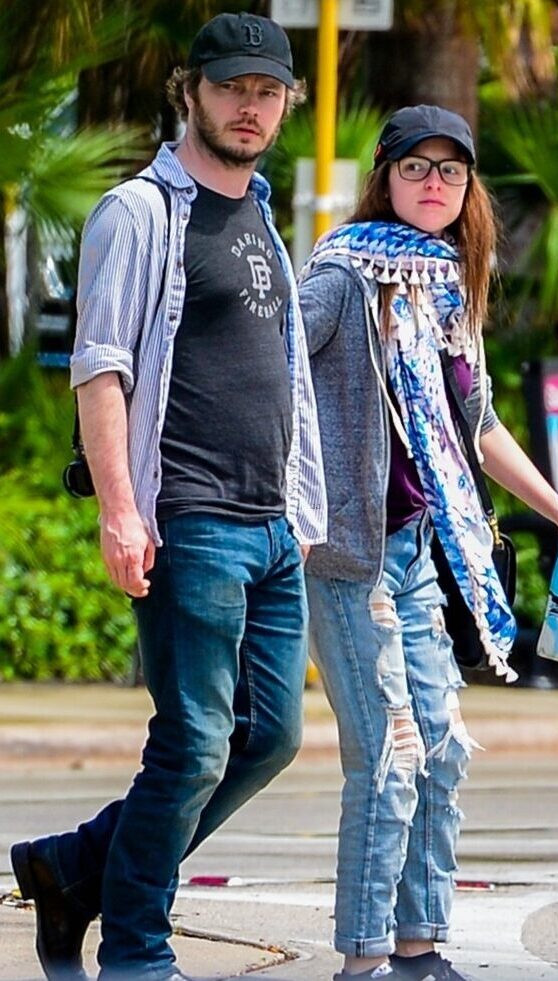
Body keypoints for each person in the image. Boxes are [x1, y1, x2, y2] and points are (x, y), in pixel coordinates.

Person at [10, 12, 326, 981]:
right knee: (191, 743)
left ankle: (75, 868)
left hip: (269, 527)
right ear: (191, 89)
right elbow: (100, 369)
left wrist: (301, 509)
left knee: (266, 738)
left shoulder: (264, 218)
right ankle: (136, 949)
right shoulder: (139, 214)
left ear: (285, 102)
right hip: (187, 518)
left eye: (266, 92)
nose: (249, 106)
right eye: (231, 87)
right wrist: (120, 512)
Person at [297, 104, 558, 981]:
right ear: (385, 176)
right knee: (391, 759)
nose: (433, 183)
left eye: (451, 170)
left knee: (441, 749)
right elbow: (279, 375)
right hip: (349, 558)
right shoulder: (340, 277)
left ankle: (419, 950)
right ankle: (360, 962)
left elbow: (477, 427)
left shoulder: (444, 290)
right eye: (415, 167)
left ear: (467, 188)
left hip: (417, 554)